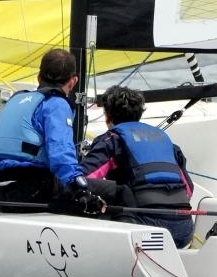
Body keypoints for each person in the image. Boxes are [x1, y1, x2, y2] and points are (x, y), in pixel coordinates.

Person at [0, 47, 106, 215]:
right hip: (31, 192)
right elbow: (60, 153)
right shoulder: (56, 104)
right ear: (73, 81)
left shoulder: (16, 100)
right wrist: (80, 190)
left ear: (39, 77)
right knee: (113, 192)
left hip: (0, 194)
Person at [81, 84, 195, 248]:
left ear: (108, 117)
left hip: (144, 229)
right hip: (183, 231)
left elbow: (82, 179)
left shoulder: (112, 140)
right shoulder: (169, 143)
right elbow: (189, 190)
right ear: (139, 114)